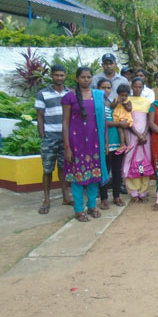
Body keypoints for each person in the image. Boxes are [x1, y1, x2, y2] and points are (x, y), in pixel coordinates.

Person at [62, 67, 109, 222]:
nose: (86, 80)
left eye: (89, 77)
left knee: (94, 177)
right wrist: (67, 147)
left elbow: (103, 123)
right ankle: (78, 209)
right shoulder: (69, 97)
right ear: (77, 79)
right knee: (77, 177)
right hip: (76, 144)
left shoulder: (98, 96)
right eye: (83, 77)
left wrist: (106, 144)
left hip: (95, 143)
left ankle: (92, 206)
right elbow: (65, 123)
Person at [35, 65, 72, 214]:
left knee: (64, 169)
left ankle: (65, 197)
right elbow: (40, 116)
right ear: (52, 76)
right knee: (47, 169)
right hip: (50, 138)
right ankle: (46, 199)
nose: (59, 78)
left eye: (62, 75)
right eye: (56, 75)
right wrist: (43, 136)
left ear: (65, 76)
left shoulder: (70, 93)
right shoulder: (42, 93)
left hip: (65, 138)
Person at [122, 77, 153, 202]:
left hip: (145, 137)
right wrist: (137, 134)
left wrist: (144, 134)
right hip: (132, 135)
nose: (137, 89)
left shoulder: (147, 102)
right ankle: (133, 191)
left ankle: (143, 191)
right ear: (131, 87)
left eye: (140, 87)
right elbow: (126, 119)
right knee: (130, 161)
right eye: (135, 86)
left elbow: (149, 120)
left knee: (145, 160)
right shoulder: (127, 101)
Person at [97, 78, 126, 209]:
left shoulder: (110, 102)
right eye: (104, 87)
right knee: (105, 170)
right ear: (98, 88)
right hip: (104, 141)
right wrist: (120, 124)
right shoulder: (97, 103)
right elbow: (102, 123)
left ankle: (116, 196)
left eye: (109, 88)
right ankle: (103, 198)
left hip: (116, 140)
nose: (107, 90)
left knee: (116, 171)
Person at [111, 84, 133, 154]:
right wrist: (117, 102)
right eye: (122, 95)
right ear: (118, 94)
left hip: (125, 118)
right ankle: (126, 145)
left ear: (128, 95)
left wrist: (125, 105)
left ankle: (124, 145)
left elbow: (130, 109)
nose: (123, 97)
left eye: (125, 96)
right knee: (121, 130)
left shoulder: (128, 101)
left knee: (123, 130)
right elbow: (112, 106)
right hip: (118, 118)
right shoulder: (116, 99)